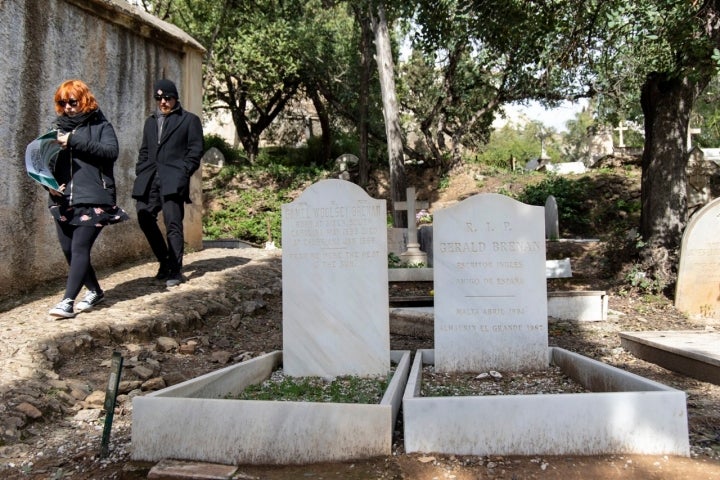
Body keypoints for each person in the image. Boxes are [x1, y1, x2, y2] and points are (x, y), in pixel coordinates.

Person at [46, 79, 129, 319]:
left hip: (95, 198)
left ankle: (67, 301)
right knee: (69, 250)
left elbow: (110, 152)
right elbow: (46, 164)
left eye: (73, 102)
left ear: (84, 101)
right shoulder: (57, 129)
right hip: (64, 200)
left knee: (80, 247)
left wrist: (73, 141)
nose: (68, 107)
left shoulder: (102, 126)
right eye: (63, 103)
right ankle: (95, 291)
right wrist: (49, 186)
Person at [132, 79, 203, 287]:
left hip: (173, 180)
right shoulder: (151, 121)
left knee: (173, 224)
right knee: (144, 216)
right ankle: (164, 260)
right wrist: (141, 168)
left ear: (175, 98)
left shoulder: (189, 120)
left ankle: (175, 269)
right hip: (149, 179)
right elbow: (145, 149)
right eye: (159, 98)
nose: (163, 102)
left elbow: (195, 151)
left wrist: (183, 173)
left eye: (167, 98)